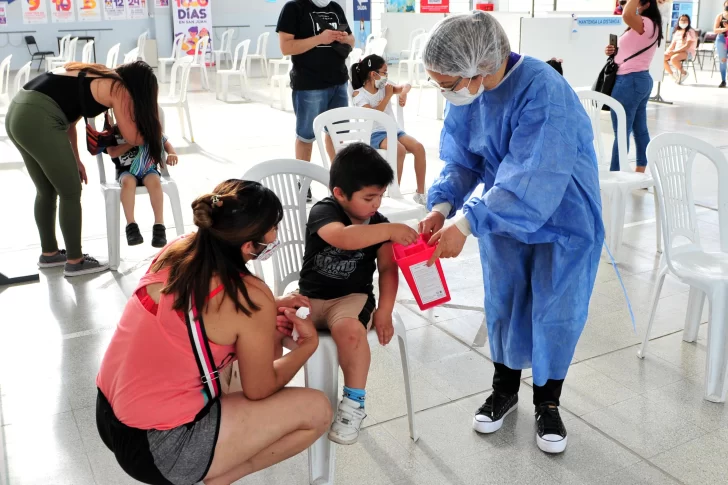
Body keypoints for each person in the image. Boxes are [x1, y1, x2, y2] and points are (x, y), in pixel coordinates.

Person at [419, 12, 604, 454]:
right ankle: (504, 390)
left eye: (447, 84)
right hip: (502, 212)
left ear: (478, 68)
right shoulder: (471, 91)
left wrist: (467, 223)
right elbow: (464, 158)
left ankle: (548, 402)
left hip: (562, 214)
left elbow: (532, 178)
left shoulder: (543, 91)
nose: (446, 93)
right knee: (503, 299)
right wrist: (443, 206)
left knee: (554, 306)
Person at [96, 179, 332, 485]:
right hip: (162, 449)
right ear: (249, 245)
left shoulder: (179, 249)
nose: (276, 236)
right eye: (274, 228)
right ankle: (221, 477)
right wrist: (306, 348)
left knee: (248, 350)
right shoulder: (248, 295)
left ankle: (212, 463)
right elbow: (258, 389)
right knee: (318, 411)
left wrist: (269, 305)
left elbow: (192, 309)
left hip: (110, 416)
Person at [291, 143, 418, 445]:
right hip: (309, 298)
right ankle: (265, 393)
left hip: (351, 300)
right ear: (340, 194)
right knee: (272, 325)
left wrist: (384, 310)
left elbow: (388, 270)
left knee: (350, 332)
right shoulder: (324, 211)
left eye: (381, 196)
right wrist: (389, 231)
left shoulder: (381, 225)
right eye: (369, 197)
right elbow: (343, 238)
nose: (376, 204)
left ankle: (353, 403)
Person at [4, 61, 162, 277]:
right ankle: (75, 261)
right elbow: (133, 137)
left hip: (18, 114)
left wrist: (76, 159)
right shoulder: (119, 88)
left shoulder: (96, 74)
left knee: (46, 190)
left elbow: (69, 121)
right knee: (70, 192)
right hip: (39, 118)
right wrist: (155, 125)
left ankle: (49, 254)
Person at [276, 0, 355, 176]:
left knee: (337, 134)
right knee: (306, 135)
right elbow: (286, 47)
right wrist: (320, 38)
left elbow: (352, 39)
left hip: (339, 82)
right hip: (309, 85)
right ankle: (302, 180)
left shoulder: (335, 8)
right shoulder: (294, 8)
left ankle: (338, 178)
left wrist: (344, 38)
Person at [350, 54, 427, 205]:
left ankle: (420, 193)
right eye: (384, 72)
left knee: (418, 148)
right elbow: (373, 116)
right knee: (399, 150)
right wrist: (387, 97)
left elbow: (407, 85)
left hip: (393, 130)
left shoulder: (385, 87)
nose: (386, 76)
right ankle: (394, 191)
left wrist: (403, 93)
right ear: (374, 74)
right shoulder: (359, 94)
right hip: (373, 134)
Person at [605, 0, 662, 172]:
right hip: (639, 79)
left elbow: (626, 14)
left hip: (629, 81)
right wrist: (613, 52)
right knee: (639, 129)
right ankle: (640, 171)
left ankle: (616, 173)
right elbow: (630, 50)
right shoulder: (648, 25)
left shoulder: (645, 23)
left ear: (645, 4)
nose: (625, 3)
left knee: (621, 131)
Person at [106, 130, 178, 248]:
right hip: (126, 171)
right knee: (128, 182)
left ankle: (159, 225)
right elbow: (113, 152)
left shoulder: (147, 127)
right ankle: (131, 225)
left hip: (148, 168)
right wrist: (133, 142)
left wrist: (172, 153)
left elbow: (165, 143)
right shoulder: (111, 131)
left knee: (154, 181)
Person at [663, 14, 697, 84]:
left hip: (687, 53)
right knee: (662, 57)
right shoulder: (677, 32)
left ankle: (684, 73)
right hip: (677, 52)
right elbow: (672, 45)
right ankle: (672, 74)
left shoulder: (690, 31)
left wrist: (674, 52)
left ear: (689, 22)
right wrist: (668, 51)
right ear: (679, 21)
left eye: (685, 20)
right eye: (682, 20)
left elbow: (687, 46)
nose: (683, 21)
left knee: (673, 58)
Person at [715, 0, 728, 88]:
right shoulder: (720, 16)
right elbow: (715, 30)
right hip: (721, 39)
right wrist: (725, 29)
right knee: (722, 60)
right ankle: (723, 80)